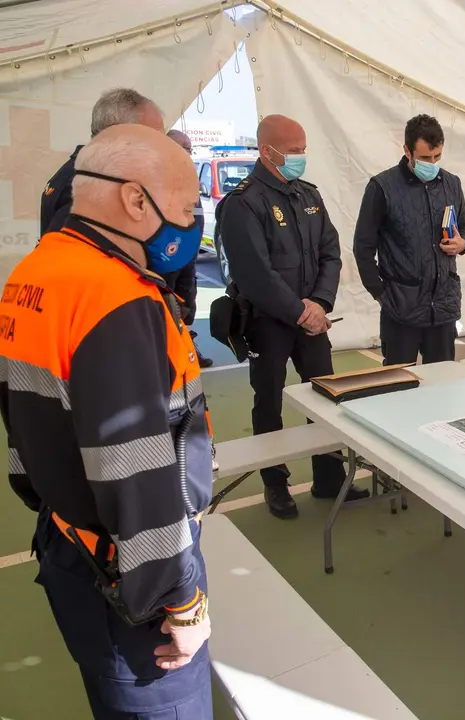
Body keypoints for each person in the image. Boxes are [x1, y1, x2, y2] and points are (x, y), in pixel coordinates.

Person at [1, 124, 213, 718]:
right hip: (132, 578)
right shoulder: (117, 297)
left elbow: (21, 422)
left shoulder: (33, 274)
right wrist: (182, 600)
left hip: (69, 541)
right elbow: (138, 470)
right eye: (188, 205)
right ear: (135, 199)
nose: (194, 220)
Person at [217, 114, 365, 519]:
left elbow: (330, 253)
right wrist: (300, 311)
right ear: (268, 152)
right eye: (295, 150)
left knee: (327, 396)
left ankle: (329, 478)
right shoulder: (243, 204)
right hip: (268, 324)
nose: (302, 157)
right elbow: (253, 275)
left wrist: (320, 303)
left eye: (303, 149)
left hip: (312, 319)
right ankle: (276, 484)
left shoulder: (307, 195)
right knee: (269, 403)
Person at [353, 114, 465, 365]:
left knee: (443, 384)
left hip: (443, 307)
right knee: (397, 385)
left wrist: (462, 243)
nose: (432, 163)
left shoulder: (452, 183)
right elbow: (363, 248)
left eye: (437, 156)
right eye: (425, 158)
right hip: (401, 309)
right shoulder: (382, 187)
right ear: (407, 151)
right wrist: (381, 294)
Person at [40, 88, 165, 237]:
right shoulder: (86, 186)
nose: (161, 149)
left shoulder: (91, 175)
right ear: (118, 134)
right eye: (153, 139)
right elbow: (66, 256)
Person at [165, 129, 212, 368]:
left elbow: (197, 217)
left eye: (189, 148)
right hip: (165, 261)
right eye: (180, 146)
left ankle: (187, 344)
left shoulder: (190, 182)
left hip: (188, 256)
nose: (185, 152)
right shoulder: (155, 180)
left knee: (187, 303)